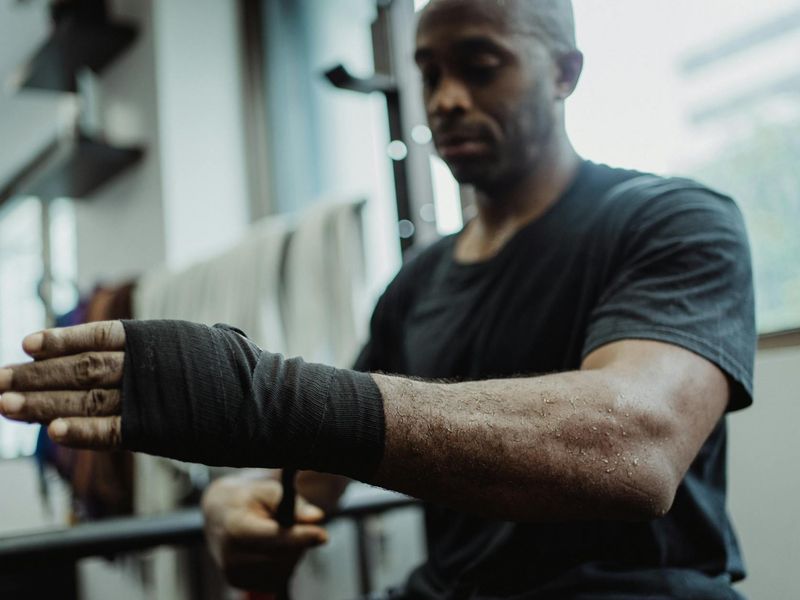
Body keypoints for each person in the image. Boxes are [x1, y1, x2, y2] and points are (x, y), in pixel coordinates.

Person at [0, 0, 755, 598]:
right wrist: (228, 504)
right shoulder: (417, 286)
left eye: (481, 66)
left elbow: (639, 443)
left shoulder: (673, 219)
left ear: (564, 71)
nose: (447, 100)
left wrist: (263, 397)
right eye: (429, 73)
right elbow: (314, 472)